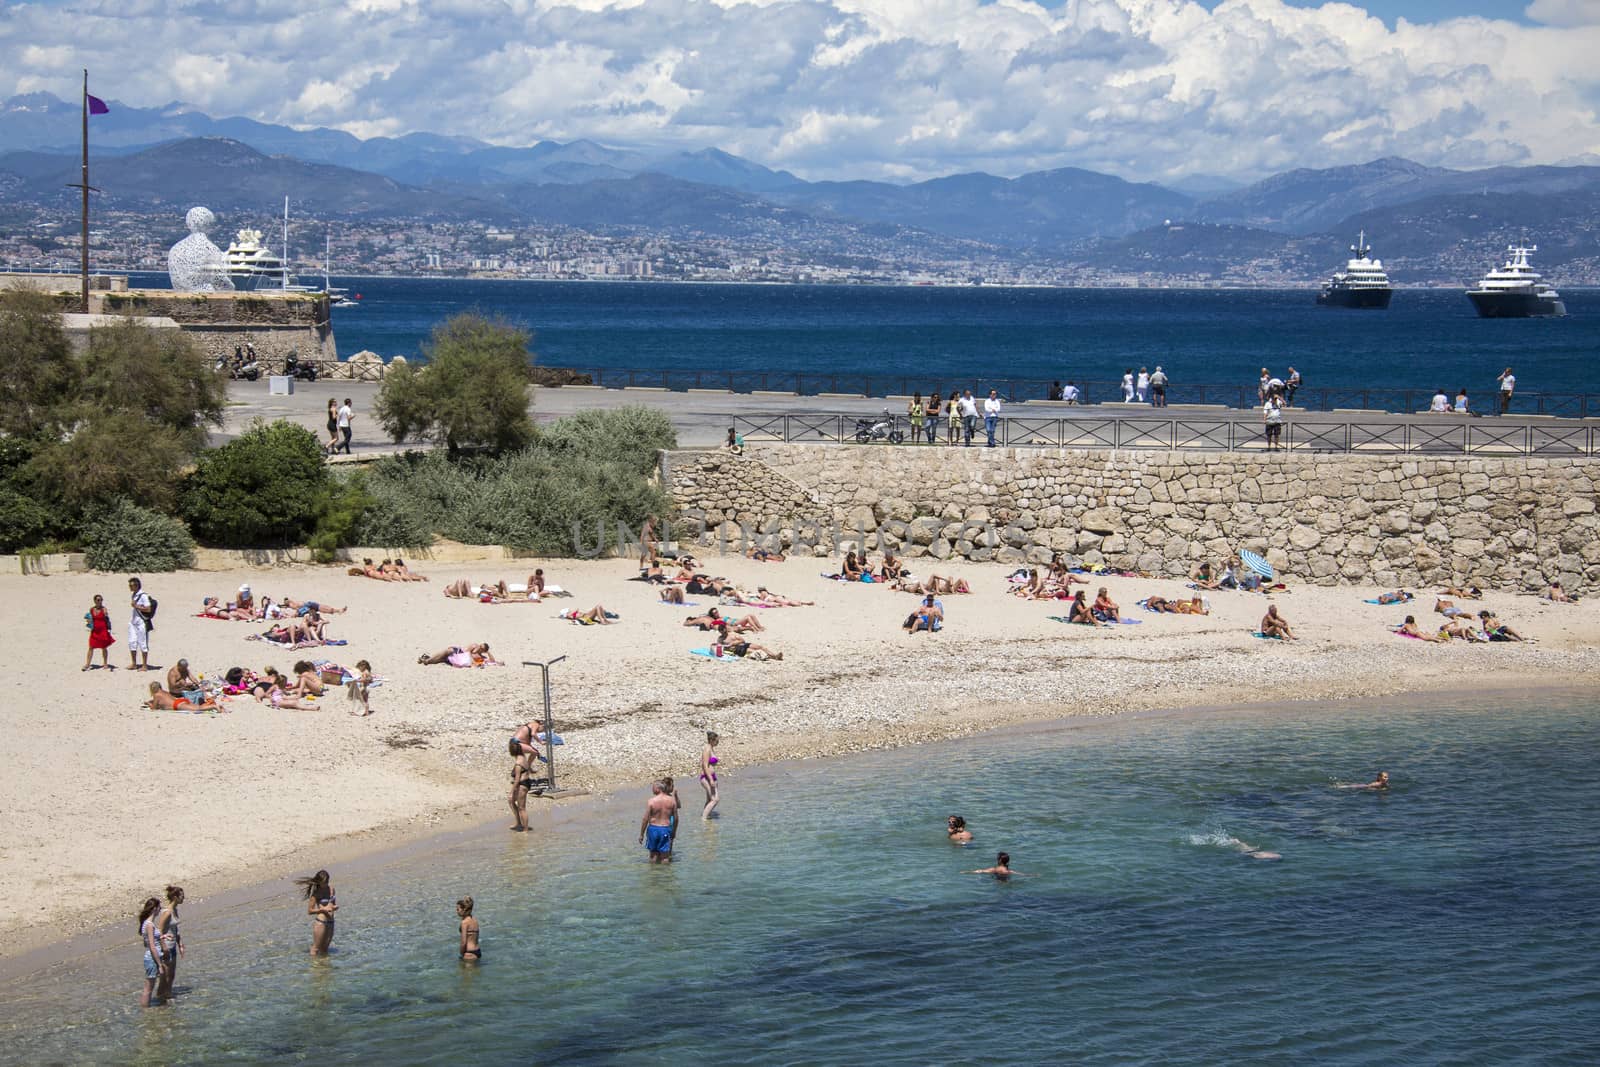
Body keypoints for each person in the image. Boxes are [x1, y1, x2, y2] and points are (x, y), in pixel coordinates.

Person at [296, 869, 337, 956]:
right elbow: (310, 911)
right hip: (321, 922)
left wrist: (334, 907)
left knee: (325, 949)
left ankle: (324, 967)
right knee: (316, 948)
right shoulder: (316, 894)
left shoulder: (331, 889)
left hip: (331, 922)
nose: (325, 884)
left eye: (327, 881)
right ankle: (314, 968)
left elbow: (333, 904)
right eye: (324, 882)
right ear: (319, 882)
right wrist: (322, 910)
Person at [156, 885, 185, 1002]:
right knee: (165, 976)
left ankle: (167, 995)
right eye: (182, 896)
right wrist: (164, 947)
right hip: (166, 947)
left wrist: (180, 943)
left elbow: (175, 929)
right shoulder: (167, 913)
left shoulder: (175, 910)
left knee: (171, 974)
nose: (184, 898)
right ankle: (160, 997)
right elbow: (159, 931)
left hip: (173, 946)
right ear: (175, 897)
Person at [139, 896, 167, 1008]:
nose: (160, 910)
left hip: (152, 957)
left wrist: (163, 936)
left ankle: (149, 1007)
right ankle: (145, 1011)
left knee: (151, 985)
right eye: (159, 907)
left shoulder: (146, 923)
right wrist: (159, 964)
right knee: (148, 987)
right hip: (152, 958)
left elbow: (147, 942)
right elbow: (151, 945)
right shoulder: (149, 925)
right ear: (154, 908)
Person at [640, 781, 677, 863]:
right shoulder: (672, 801)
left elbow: (645, 819)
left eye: (653, 787)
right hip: (665, 829)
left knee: (653, 855)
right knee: (665, 856)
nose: (652, 789)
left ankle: (654, 874)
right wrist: (674, 831)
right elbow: (676, 818)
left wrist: (641, 834)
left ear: (658, 788)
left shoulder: (651, 801)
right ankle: (666, 874)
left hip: (653, 829)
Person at [84, 593, 116, 671]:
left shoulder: (104, 609)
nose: (100, 601)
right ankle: (87, 664)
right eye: (98, 600)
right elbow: (90, 618)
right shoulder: (91, 609)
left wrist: (106, 614)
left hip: (102, 630)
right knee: (91, 647)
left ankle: (105, 663)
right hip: (94, 631)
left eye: (101, 600)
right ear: (95, 601)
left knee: (104, 647)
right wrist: (88, 621)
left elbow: (106, 617)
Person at [128, 576, 154, 672]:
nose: (130, 587)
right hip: (133, 622)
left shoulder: (143, 596)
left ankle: (144, 665)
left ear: (136, 586)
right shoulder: (134, 595)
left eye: (131, 585)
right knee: (132, 642)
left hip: (141, 623)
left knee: (143, 643)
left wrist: (136, 606)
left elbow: (148, 608)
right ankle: (134, 663)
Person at [419, 643, 502, 666]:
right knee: (445, 653)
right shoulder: (474, 646)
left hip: (459, 658)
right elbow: (465, 652)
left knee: (441, 659)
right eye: (480, 646)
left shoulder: (480, 657)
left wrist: (488, 652)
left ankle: (427, 660)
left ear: (484, 651)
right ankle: (427, 660)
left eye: (482, 648)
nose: (480, 648)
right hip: (458, 652)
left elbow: (492, 661)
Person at [700, 731, 720, 819]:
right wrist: (711, 779)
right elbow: (704, 765)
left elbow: (710, 764)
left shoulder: (711, 748)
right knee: (715, 799)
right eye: (716, 740)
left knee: (709, 800)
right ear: (711, 740)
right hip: (706, 777)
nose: (718, 742)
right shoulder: (707, 749)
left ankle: (707, 816)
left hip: (711, 777)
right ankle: (703, 819)